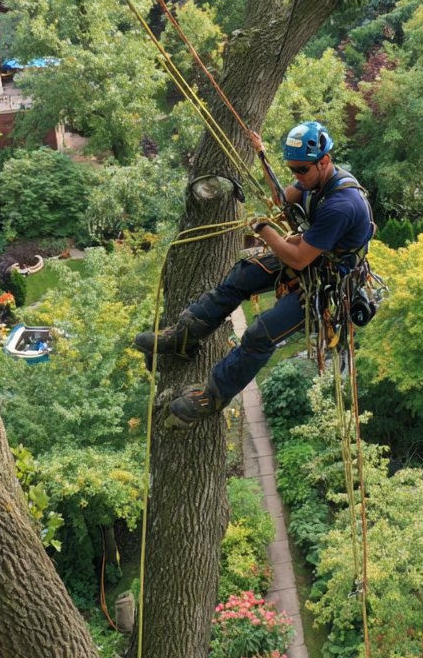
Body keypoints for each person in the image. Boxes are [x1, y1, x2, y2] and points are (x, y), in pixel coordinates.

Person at [135, 121, 374, 428]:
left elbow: (300, 260)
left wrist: (264, 230)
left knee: (261, 332)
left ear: (324, 162)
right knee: (243, 275)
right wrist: (262, 156)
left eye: (302, 170)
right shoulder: (315, 182)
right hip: (313, 259)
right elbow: (280, 198)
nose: (297, 176)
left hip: (325, 283)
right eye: (293, 170)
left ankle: (213, 396)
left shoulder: (341, 204)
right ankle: (185, 337)